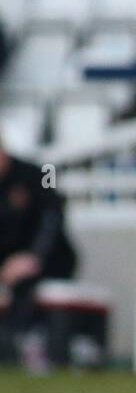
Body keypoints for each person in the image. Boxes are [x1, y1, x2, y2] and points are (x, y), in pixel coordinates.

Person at [0, 140, 77, 368]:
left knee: (24, 285)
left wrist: (33, 256)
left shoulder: (36, 174)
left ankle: (25, 343)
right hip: (7, 266)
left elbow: (52, 219)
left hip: (48, 261)